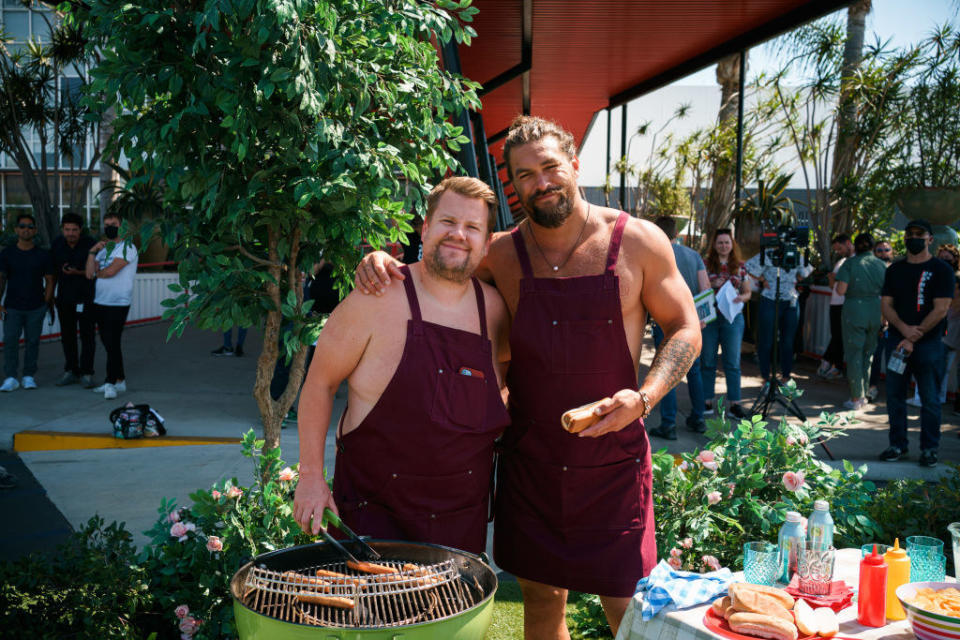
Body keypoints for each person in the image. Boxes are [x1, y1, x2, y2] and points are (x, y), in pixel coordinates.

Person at [355, 116, 701, 638]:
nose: (540, 183)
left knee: (627, 614)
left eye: (549, 167)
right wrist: (387, 263)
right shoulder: (499, 254)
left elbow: (686, 328)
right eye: (524, 176)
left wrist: (645, 396)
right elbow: (438, 275)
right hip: (531, 462)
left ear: (575, 165)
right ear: (511, 186)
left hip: (613, 464)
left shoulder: (638, 242)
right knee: (541, 605)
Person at [293, 176, 511, 558]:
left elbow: (501, 389)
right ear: (425, 229)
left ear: (487, 243)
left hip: (460, 528)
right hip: (371, 524)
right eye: (447, 222)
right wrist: (310, 476)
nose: (458, 234)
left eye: (473, 227)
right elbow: (319, 384)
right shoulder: (375, 297)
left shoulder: (494, 311)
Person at [878, 219, 953, 468]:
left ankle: (929, 448)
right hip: (897, 344)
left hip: (929, 345)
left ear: (930, 239)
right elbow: (886, 305)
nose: (913, 238)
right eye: (909, 234)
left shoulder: (942, 270)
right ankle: (897, 444)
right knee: (894, 396)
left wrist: (914, 335)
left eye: (919, 234)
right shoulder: (895, 270)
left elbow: (941, 309)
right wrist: (903, 331)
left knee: (930, 399)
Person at [648, 215, 708, 438]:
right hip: (691, 322)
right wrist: (700, 319)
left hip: (664, 322)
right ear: (676, 233)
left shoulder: (656, 255)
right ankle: (699, 418)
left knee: (667, 371)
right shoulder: (694, 256)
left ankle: (669, 423)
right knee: (694, 371)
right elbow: (705, 288)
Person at [86, 213, 139, 400]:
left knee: (112, 342)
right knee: (109, 342)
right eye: (107, 224)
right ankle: (120, 380)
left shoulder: (128, 248)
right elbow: (89, 273)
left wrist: (98, 272)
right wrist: (92, 252)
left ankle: (110, 382)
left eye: (114, 224)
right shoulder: (103, 249)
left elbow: (110, 272)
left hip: (118, 302)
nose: (109, 227)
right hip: (100, 301)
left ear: (122, 227)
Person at [1, 213, 55, 392]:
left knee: (33, 342)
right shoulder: (7, 253)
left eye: (30, 227)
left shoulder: (43, 254)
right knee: (10, 341)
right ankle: (10, 377)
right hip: (13, 307)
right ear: (16, 229)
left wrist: (46, 303)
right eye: (22, 226)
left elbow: (49, 280)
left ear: (35, 230)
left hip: (35, 307)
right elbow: (1, 279)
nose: (26, 229)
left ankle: (28, 376)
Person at [701, 229, 751, 419]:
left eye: (727, 242)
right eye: (720, 242)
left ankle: (735, 404)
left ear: (732, 245)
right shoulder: (705, 264)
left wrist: (741, 297)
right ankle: (706, 399)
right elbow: (697, 288)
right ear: (714, 245)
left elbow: (748, 292)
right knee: (707, 360)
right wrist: (712, 285)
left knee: (732, 362)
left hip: (732, 317)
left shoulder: (740, 266)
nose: (723, 246)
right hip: (711, 317)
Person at [745, 244, 812, 384]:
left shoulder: (795, 253)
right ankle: (765, 378)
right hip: (769, 299)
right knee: (766, 341)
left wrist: (797, 279)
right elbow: (748, 266)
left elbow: (807, 269)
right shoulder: (768, 253)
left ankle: (786, 377)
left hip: (791, 301)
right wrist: (763, 280)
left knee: (788, 342)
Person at [834, 233, 887, 410]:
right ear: (872, 247)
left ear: (855, 247)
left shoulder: (850, 263)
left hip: (854, 310)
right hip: (875, 310)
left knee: (854, 353)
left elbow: (841, 290)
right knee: (868, 354)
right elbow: (888, 293)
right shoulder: (881, 265)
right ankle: (863, 394)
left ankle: (856, 397)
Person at [50, 212, 97, 387]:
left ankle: (86, 373)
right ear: (63, 229)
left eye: (74, 230)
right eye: (67, 229)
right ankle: (71, 370)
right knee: (67, 336)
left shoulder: (90, 244)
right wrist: (50, 296)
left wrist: (76, 272)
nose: (70, 233)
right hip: (64, 299)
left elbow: (94, 272)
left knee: (87, 336)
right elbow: (53, 272)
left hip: (86, 299)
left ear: (80, 230)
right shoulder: (57, 245)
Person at [818, 234, 854, 380]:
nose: (838, 252)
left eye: (839, 248)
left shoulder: (856, 262)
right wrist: (832, 279)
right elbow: (832, 285)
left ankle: (830, 362)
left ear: (847, 243)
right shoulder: (841, 262)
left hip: (846, 303)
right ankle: (833, 364)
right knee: (837, 335)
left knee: (840, 335)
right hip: (835, 302)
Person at [867, 239, 895, 399]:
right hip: (876, 321)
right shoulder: (870, 270)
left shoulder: (898, 270)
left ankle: (895, 390)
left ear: (892, 252)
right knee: (875, 356)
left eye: (886, 250)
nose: (883, 253)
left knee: (895, 359)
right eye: (879, 250)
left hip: (897, 322)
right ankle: (872, 387)